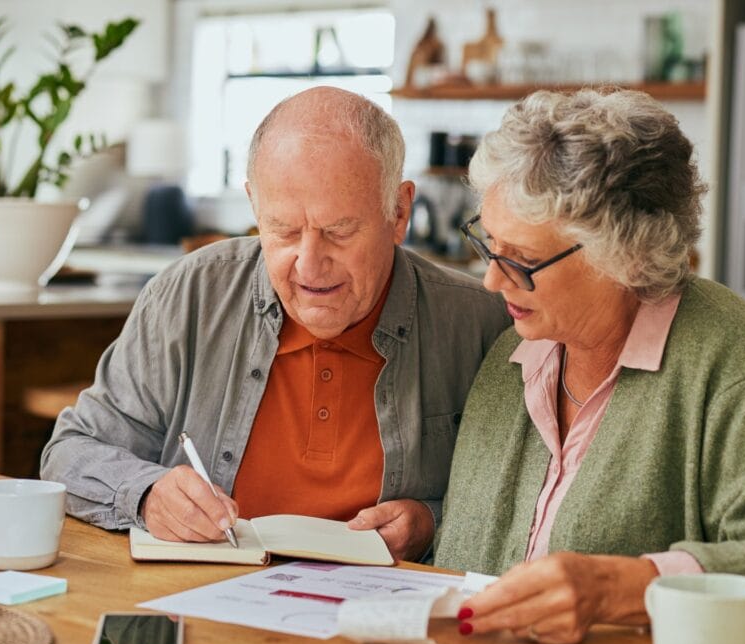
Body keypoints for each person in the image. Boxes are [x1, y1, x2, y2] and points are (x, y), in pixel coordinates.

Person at [434, 89, 745, 644]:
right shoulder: (514, 354)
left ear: (625, 256)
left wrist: (632, 587)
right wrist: (425, 525)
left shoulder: (723, 355)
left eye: (523, 261)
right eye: (490, 245)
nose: (493, 281)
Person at [40, 87, 510, 561]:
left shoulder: (480, 323)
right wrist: (146, 493)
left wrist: (434, 520)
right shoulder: (189, 294)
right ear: (253, 207)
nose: (309, 265)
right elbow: (69, 453)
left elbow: (528, 511)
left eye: (339, 231)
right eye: (283, 230)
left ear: (399, 212)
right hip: (206, 597)